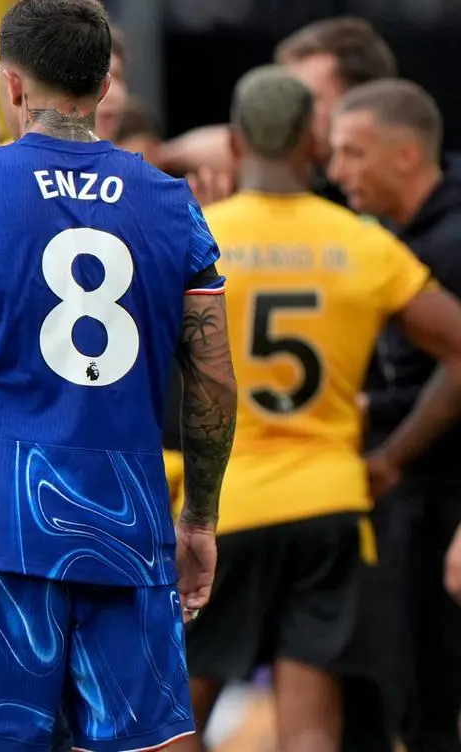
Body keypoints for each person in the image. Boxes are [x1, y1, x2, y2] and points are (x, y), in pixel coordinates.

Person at [0, 0, 236, 752]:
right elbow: (212, 378)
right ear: (106, 83)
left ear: (10, 83)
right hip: (128, 518)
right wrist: (200, 517)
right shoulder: (170, 202)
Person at [184, 68, 461, 752]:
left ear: (235, 141)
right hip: (331, 506)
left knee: (168, 721)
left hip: (225, 505)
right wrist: (393, 456)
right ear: (315, 141)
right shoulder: (364, 243)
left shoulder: (198, 235)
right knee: (310, 729)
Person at [327, 78, 461, 752]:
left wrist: (391, 450)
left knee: (429, 699)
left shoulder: (447, 243)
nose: (336, 169)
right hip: (403, 498)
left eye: (352, 153)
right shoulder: (383, 234)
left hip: (438, 498)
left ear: (406, 157)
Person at [162, 17, 398, 206]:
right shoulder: (296, 171)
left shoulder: (386, 205)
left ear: (359, 102)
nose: (290, 110)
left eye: (306, 98)